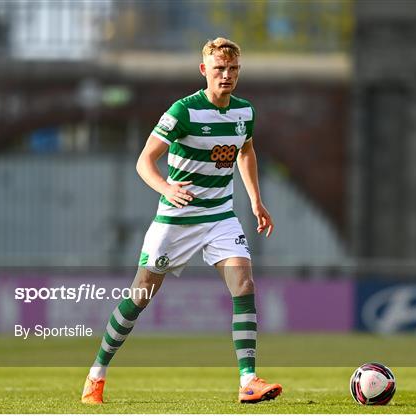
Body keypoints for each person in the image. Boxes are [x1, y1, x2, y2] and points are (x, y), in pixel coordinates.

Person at [81, 37, 282, 405]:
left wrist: (255, 199)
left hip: (220, 215)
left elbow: (246, 149)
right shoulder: (183, 111)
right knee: (139, 297)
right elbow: (144, 160)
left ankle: (248, 380)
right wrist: (166, 187)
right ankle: (97, 371)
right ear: (204, 70)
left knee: (245, 284)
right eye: (219, 69)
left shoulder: (244, 112)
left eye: (233, 69)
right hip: (176, 218)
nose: (227, 75)